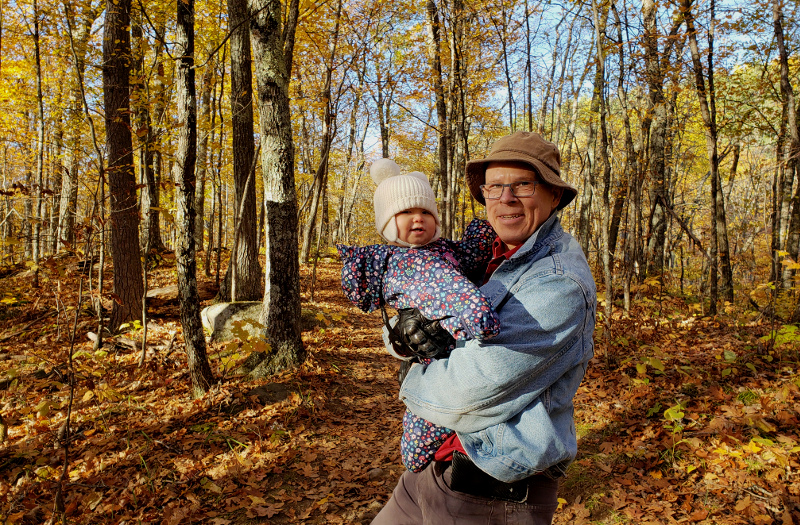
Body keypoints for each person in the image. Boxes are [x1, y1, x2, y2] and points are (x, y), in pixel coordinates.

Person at [371, 131, 597, 525]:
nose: (505, 198)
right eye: (494, 187)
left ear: (554, 195)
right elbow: (421, 315)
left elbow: (464, 390)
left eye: (523, 185)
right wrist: (402, 341)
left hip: (487, 493)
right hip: (429, 472)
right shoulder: (483, 254)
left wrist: (409, 373)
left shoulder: (558, 284)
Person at [337, 158, 500, 473]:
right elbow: (443, 286)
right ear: (386, 223)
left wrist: (487, 228)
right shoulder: (397, 260)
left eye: (425, 211)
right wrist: (475, 314)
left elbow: (472, 257)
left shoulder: (446, 251)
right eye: (405, 212)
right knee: (425, 425)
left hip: (466, 357)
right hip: (432, 363)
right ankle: (419, 462)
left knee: (463, 411)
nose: (418, 219)